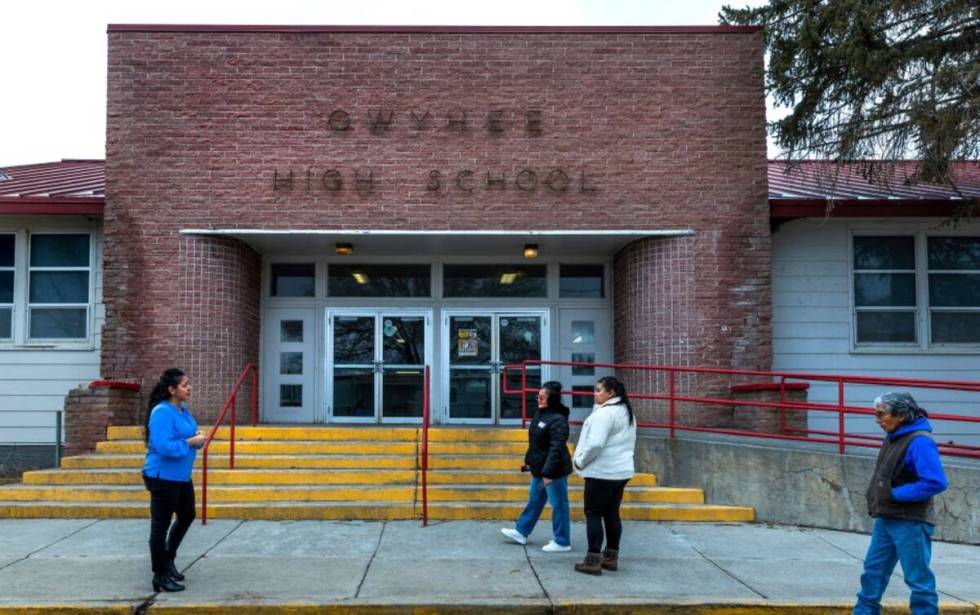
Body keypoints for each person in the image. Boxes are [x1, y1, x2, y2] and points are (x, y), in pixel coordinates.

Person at [853, 392, 948, 615]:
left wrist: (895, 494)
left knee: (918, 580)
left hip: (910, 522)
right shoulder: (893, 436)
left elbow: (935, 482)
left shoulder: (920, 441)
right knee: (873, 573)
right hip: (887, 518)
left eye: (881, 414)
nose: (877, 419)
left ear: (902, 415)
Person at [142, 368, 207, 593]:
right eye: (184, 385)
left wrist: (198, 439)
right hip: (162, 477)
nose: (189, 388)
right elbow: (164, 447)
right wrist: (191, 441)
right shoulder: (162, 412)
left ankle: (168, 560)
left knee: (188, 515)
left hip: (181, 476)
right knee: (160, 526)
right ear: (171, 389)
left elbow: (191, 434)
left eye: (189, 384)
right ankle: (159, 575)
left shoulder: (182, 410)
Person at [572, 376, 636, 575]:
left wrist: (580, 460)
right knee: (611, 513)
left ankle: (592, 561)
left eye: (599, 390)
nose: (595, 393)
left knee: (593, 513)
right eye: (596, 389)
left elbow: (596, 444)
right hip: (620, 472)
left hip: (602, 472)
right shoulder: (626, 412)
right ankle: (611, 557)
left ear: (611, 393)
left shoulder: (605, 414)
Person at [500, 381, 573, 552]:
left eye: (542, 397)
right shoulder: (541, 414)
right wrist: (528, 460)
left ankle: (562, 542)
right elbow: (535, 442)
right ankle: (521, 532)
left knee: (559, 504)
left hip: (553, 471)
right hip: (540, 468)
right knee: (535, 500)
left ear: (551, 399)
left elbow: (556, 449)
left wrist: (548, 473)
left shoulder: (558, 420)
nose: (538, 399)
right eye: (537, 396)